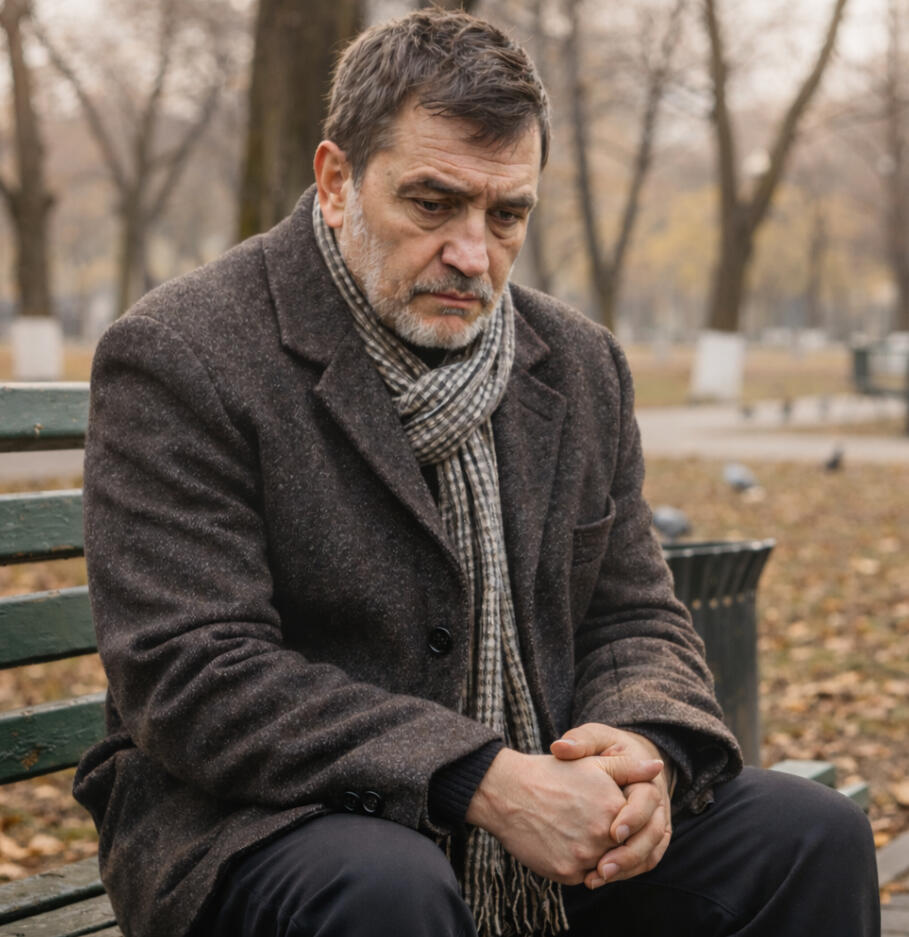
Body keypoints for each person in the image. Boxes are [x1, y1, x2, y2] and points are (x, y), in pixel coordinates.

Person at [75, 10, 879, 937]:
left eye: (506, 216)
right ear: (336, 182)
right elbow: (192, 674)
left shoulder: (578, 364)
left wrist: (642, 748)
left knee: (810, 835)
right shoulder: (184, 353)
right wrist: (481, 778)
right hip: (262, 818)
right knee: (389, 884)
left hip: (542, 802)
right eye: (432, 204)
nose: (471, 254)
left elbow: (632, 615)